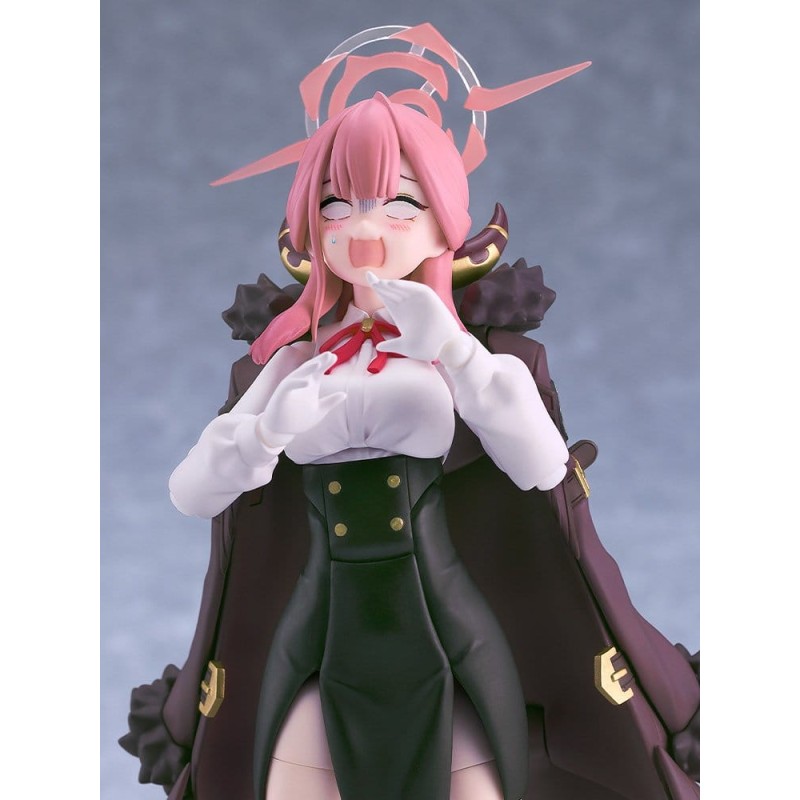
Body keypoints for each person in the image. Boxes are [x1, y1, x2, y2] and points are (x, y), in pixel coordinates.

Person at [169, 93, 570, 800]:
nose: (360, 227)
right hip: (321, 627)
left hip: (442, 620)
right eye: (333, 205)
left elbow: (543, 467)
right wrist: (266, 431)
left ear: (444, 221)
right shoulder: (296, 360)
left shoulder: (462, 353)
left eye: (399, 203)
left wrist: (452, 349)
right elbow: (190, 492)